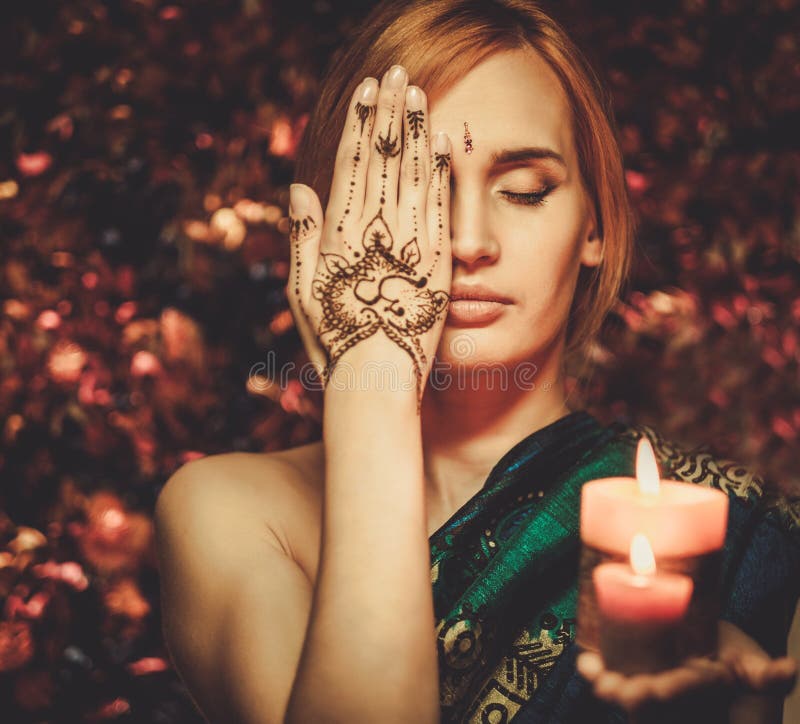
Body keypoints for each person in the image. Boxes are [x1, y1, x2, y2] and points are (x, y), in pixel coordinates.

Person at [153, 1, 799, 722]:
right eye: (419, 194)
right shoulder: (233, 512)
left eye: (523, 190)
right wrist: (372, 394)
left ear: (594, 224)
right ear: (337, 217)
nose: (465, 240)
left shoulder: (750, 538)